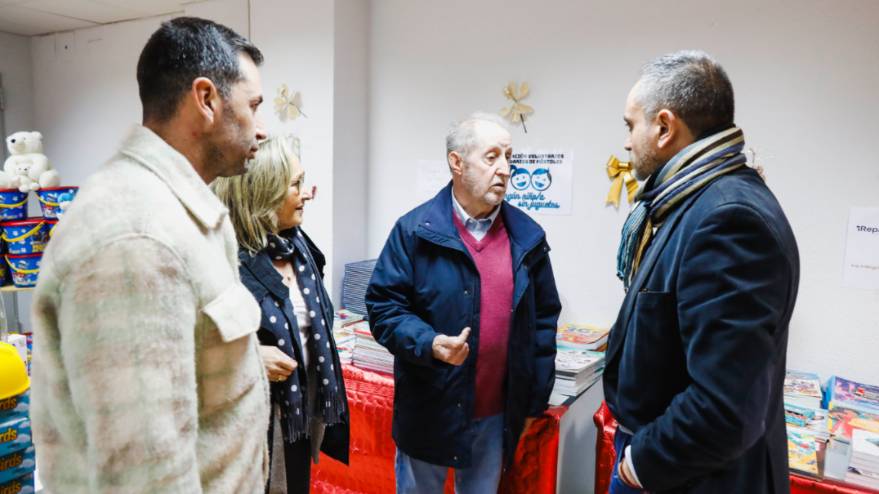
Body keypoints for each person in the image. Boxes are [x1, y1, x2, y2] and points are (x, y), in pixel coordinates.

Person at [30, 17, 270, 493]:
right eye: (253, 107)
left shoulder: (178, 211)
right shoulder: (137, 236)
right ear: (206, 100)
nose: (261, 130)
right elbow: (146, 477)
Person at [603, 50, 799, 493]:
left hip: (684, 475)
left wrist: (640, 462)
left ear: (664, 127)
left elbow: (725, 408)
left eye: (630, 125)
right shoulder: (693, 203)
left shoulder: (727, 218)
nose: (628, 143)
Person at [365, 112, 562, 493]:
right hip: (430, 410)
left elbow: (543, 322)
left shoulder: (527, 236)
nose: (505, 169)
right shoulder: (414, 231)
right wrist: (430, 343)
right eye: (492, 157)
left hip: (496, 416)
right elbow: (384, 307)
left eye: (509, 157)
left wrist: (533, 401)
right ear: (457, 162)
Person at [212, 135, 349, 494]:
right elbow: (189, 350)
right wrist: (252, 357)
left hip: (297, 416)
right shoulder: (222, 262)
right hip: (248, 429)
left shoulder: (300, 248)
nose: (307, 194)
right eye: (296, 184)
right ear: (264, 192)